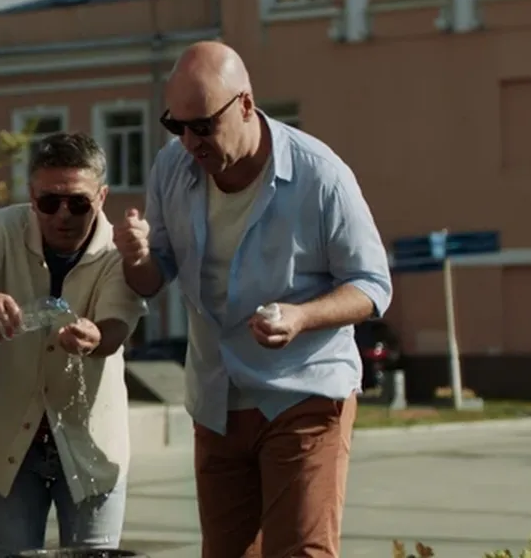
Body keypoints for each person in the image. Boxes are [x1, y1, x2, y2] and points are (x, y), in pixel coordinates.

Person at [113, 41, 392, 558]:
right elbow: (152, 278)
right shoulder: (172, 168)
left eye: (203, 126)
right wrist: (136, 256)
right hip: (217, 398)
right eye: (176, 126)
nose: (189, 142)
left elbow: (373, 285)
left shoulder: (318, 174)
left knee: (299, 552)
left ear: (245, 104)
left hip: (302, 392)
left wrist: (302, 315)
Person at [0, 132, 147, 558]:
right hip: (10, 449)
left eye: (78, 203)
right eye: (49, 202)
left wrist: (95, 338)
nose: (62, 215)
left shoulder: (116, 249)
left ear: (102, 196)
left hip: (93, 450)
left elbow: (116, 327)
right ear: (32, 196)